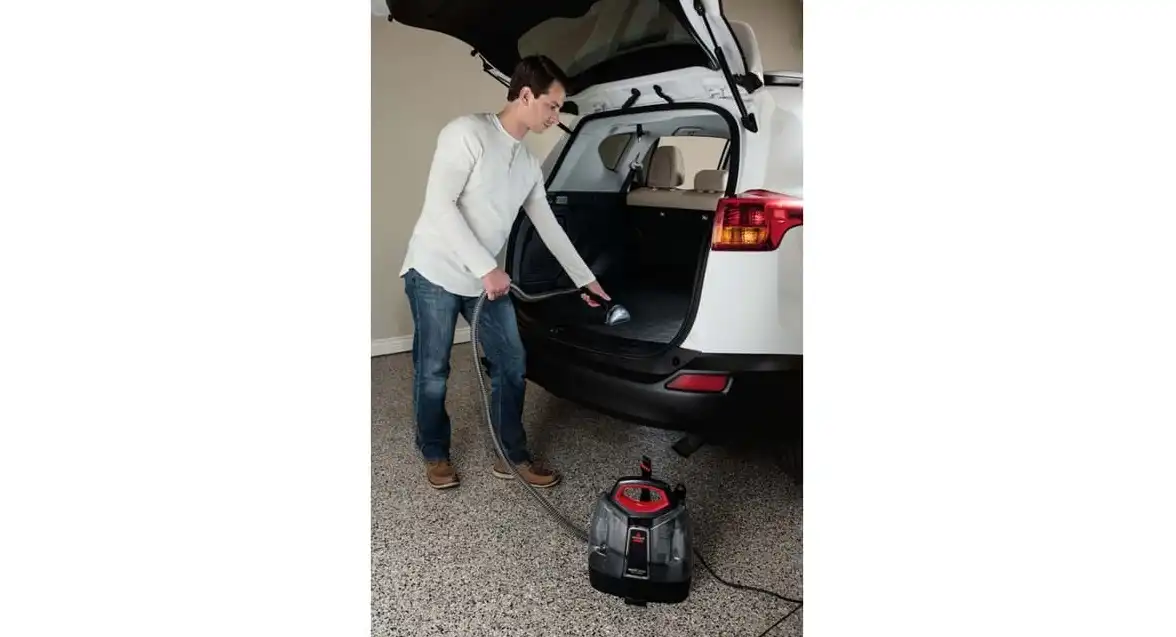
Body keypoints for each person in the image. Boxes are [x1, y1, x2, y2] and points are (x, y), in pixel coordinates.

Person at [399, 55, 610, 490]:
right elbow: (440, 206)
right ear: (526, 95)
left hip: (484, 282)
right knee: (433, 370)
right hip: (435, 270)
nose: (556, 116)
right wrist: (486, 267)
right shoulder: (466, 133)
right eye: (552, 105)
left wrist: (585, 279)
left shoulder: (528, 164)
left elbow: (548, 226)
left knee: (511, 362)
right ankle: (435, 452)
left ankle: (511, 455)